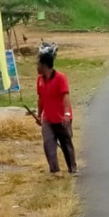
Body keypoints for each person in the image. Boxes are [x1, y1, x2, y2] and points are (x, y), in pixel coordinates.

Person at [36, 47, 76, 175]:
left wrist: (66, 114)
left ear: (45, 65)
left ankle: (72, 168)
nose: (37, 67)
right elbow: (41, 98)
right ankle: (54, 170)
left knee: (66, 143)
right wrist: (39, 115)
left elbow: (65, 97)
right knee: (48, 144)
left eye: (38, 64)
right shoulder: (40, 80)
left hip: (62, 118)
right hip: (48, 118)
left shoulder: (60, 78)